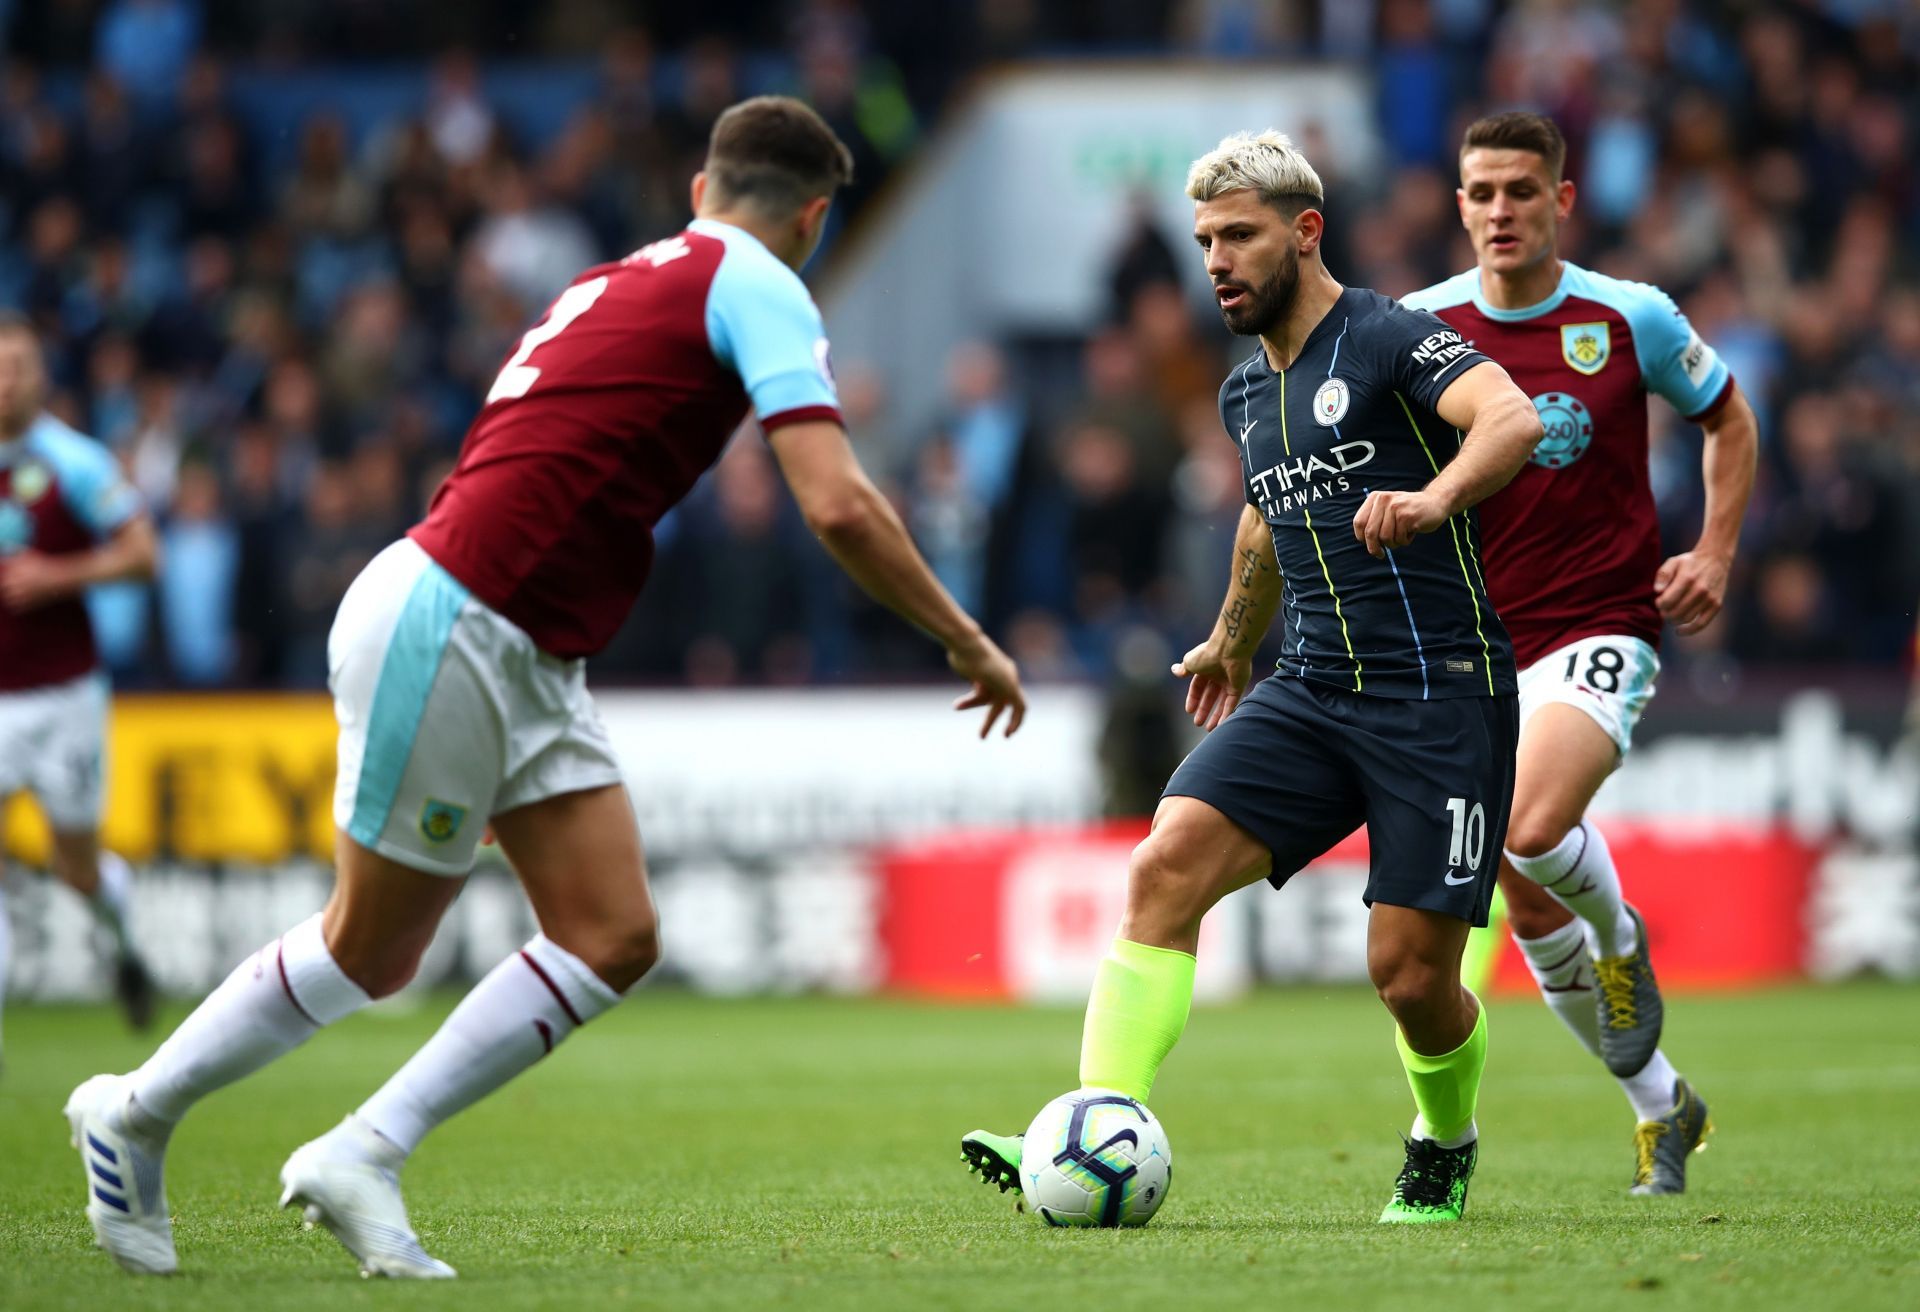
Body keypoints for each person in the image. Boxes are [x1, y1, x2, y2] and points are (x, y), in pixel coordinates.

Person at [65, 96, 1026, 1279]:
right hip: (461, 615)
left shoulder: (626, 275)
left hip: (518, 636)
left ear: (699, 187)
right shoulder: (762, 282)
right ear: (815, 218)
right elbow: (834, 499)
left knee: (611, 931)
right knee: (369, 948)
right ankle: (134, 1109)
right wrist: (962, 633)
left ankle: (365, 1149)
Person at [961, 130, 1543, 1223]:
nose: (1215, 260)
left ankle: (1444, 1139)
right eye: (1204, 241)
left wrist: (1434, 499)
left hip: (1438, 692)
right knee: (1163, 864)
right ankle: (1097, 1115)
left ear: (1305, 230)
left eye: (1238, 236)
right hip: (1313, 686)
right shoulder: (1243, 394)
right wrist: (1233, 638)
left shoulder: (1387, 338)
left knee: (1412, 978)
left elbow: (1509, 417)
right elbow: (1268, 520)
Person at [1402, 111, 1758, 1195]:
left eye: (1520, 190)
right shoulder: (1418, 326)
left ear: (1562, 199)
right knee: (1519, 890)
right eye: (1480, 193)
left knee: (1538, 827)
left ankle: (1622, 935)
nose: (1499, 210)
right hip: (1469, 648)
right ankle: (1664, 1104)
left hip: (1598, 623)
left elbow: (1729, 418)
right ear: (1457, 203)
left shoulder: (1628, 316)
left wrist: (1715, 551)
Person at [0, 315, 158, 1064]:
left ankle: (121, 943)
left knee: (77, 866)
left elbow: (143, 554)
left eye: (19, 365)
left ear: (41, 376)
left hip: (64, 696)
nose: (6, 379)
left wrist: (58, 576)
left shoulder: (76, 464)